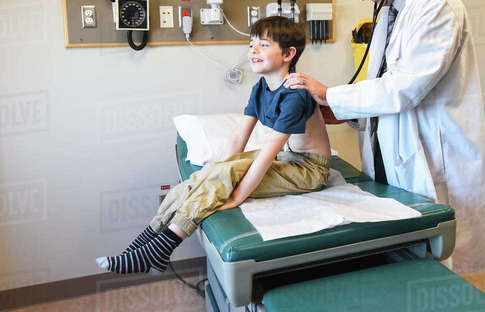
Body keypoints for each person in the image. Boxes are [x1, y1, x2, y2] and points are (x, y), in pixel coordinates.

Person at [285, 0, 485, 274]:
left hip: (433, 156)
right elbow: (378, 84)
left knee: (439, 265)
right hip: (392, 153)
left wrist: (328, 93)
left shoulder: (437, 4)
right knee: (406, 262)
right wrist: (337, 112)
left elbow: (403, 89)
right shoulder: (388, 13)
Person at [96, 16, 331, 275]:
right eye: (251, 44)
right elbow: (238, 137)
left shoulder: (294, 94)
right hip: (288, 159)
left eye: (263, 45)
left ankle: (164, 246)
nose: (253, 51)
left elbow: (268, 153)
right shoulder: (260, 88)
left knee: (222, 174)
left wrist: (236, 194)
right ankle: (146, 243)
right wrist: (221, 168)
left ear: (289, 53)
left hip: (310, 170)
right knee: (203, 175)